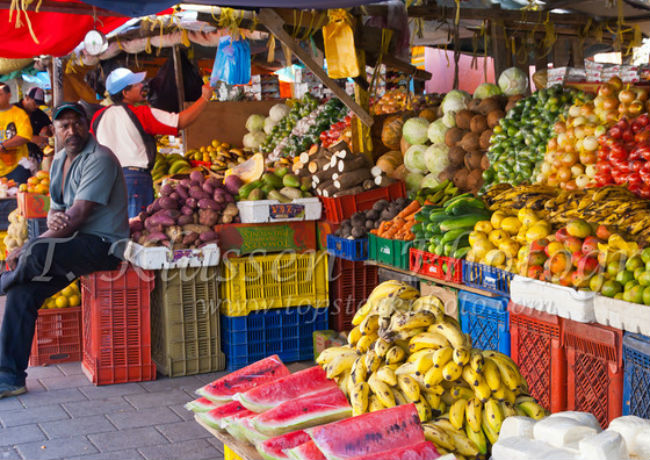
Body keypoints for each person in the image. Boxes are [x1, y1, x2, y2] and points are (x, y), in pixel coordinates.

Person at [0, 102, 129, 398]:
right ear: (55, 130)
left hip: (103, 246)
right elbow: (57, 210)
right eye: (64, 126)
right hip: (71, 244)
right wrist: (53, 219)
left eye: (77, 123)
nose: (72, 130)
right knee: (22, 293)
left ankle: (4, 281)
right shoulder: (58, 160)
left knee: (36, 251)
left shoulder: (100, 159)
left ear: (87, 125)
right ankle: (10, 377)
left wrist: (34, 243)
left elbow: (78, 215)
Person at [92, 67, 213, 218]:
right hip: (134, 180)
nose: (142, 85)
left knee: (115, 225)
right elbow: (179, 121)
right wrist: (204, 98)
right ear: (125, 93)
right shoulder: (140, 114)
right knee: (137, 225)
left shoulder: (98, 117)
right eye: (136, 84)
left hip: (106, 180)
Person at [0, 83, 33, 184]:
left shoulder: (19, 114)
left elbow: (25, 136)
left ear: (9, 95)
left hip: (17, 169)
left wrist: (3, 146)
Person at [15, 87, 53, 167]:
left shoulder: (39, 113)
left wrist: (47, 130)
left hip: (35, 158)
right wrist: (35, 139)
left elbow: (51, 128)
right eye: (35, 103)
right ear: (27, 98)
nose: (37, 106)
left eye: (39, 104)